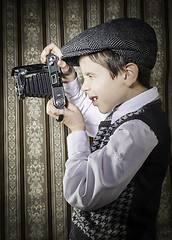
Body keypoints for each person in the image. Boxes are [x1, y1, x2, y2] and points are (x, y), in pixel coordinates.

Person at [41, 18, 171, 240]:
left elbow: (82, 192)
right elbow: (93, 117)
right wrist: (71, 79)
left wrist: (77, 131)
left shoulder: (138, 129)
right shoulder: (126, 111)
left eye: (90, 76)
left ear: (128, 74)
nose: (85, 85)